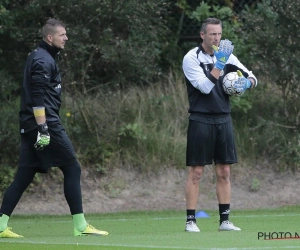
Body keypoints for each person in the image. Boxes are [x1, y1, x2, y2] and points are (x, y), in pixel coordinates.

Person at [0, 19, 109, 238]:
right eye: (62, 35)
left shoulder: (42, 56)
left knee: (24, 175)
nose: (66, 38)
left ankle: (0, 225)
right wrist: (43, 128)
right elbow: (37, 99)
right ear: (50, 38)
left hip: (32, 124)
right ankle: (80, 225)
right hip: (44, 123)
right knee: (72, 167)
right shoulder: (42, 60)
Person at [182, 17, 257, 232]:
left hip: (224, 119)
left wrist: (245, 83)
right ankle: (191, 221)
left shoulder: (227, 55)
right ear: (202, 35)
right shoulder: (191, 58)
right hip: (200, 119)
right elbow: (205, 87)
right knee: (196, 172)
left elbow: (253, 77)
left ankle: (224, 221)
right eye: (212, 34)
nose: (217, 38)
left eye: (219, 34)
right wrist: (220, 64)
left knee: (224, 171)